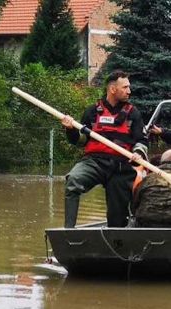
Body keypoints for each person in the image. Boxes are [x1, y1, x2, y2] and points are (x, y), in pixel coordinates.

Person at [61, 70, 148, 228]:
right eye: (125, 87)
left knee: (117, 218)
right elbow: (80, 141)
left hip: (121, 167)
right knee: (73, 181)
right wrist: (70, 129)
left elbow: (141, 140)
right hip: (94, 162)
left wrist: (138, 152)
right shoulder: (92, 112)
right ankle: (68, 231)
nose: (129, 91)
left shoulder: (133, 113)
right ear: (113, 89)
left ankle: (118, 238)